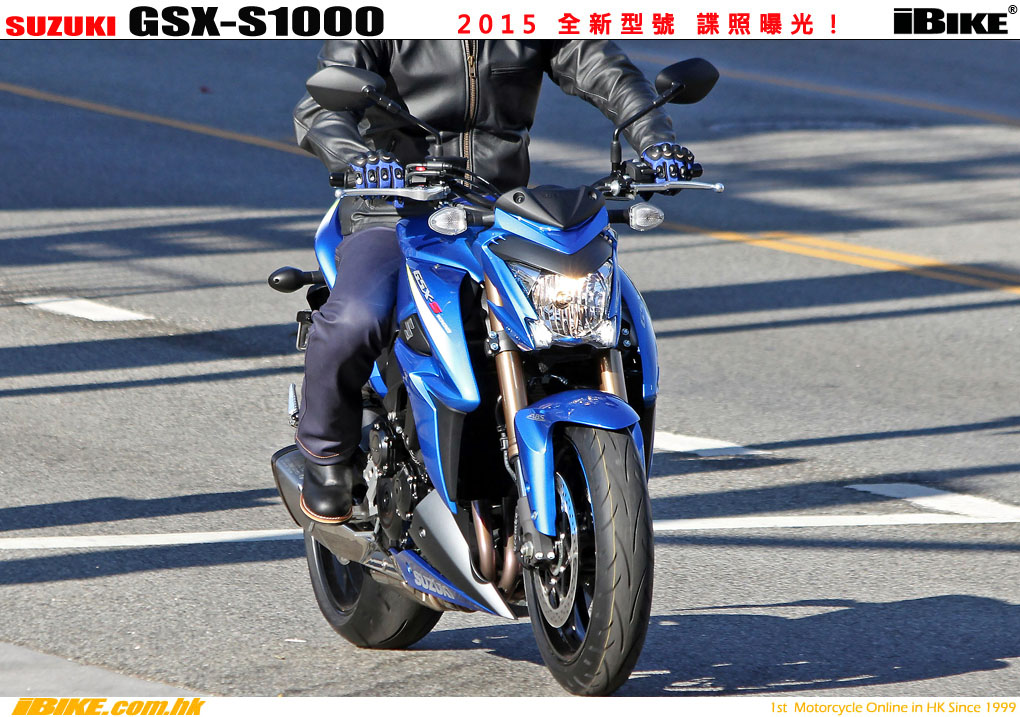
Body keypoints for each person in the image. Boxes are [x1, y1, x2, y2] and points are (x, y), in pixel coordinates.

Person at [292, 40, 695, 524]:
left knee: (602, 310)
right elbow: (320, 109)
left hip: (498, 210)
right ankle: (326, 452)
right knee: (357, 316)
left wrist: (655, 139)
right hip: (394, 207)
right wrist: (358, 158)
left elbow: (605, 70)